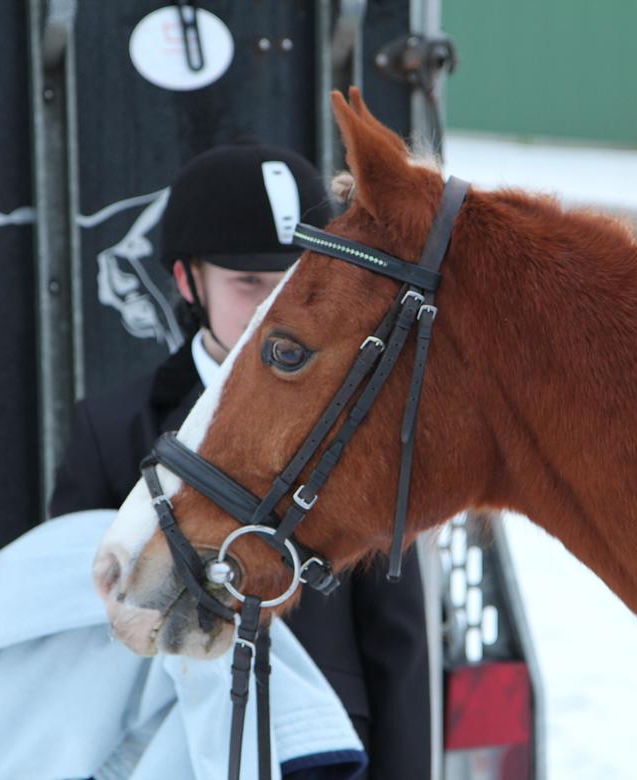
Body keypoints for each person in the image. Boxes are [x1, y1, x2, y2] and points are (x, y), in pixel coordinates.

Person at [50, 142, 433, 780]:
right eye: (248, 282)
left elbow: (399, 641)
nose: (274, 304)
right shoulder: (112, 427)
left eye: (295, 278)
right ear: (185, 280)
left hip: (328, 753)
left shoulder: (361, 423)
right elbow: (75, 628)